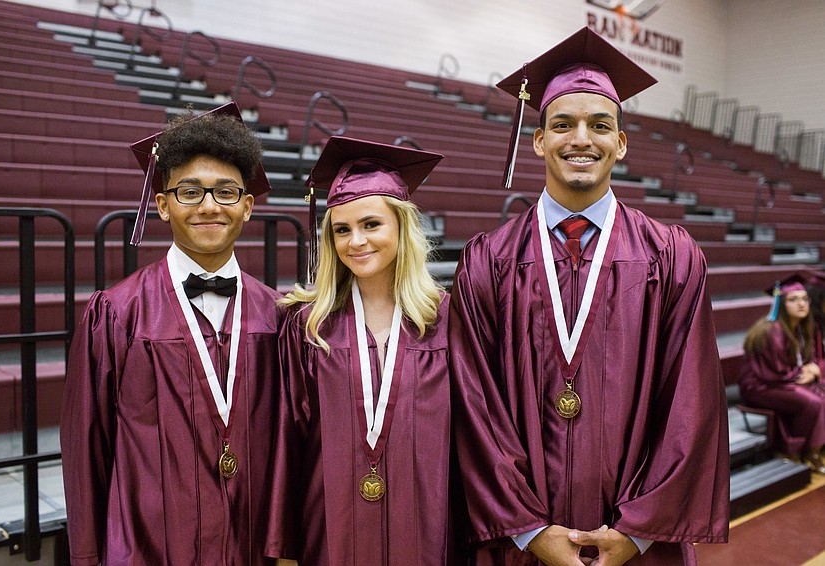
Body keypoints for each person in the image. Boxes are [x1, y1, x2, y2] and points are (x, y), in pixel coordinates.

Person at [448, 27, 729, 565]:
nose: (581, 139)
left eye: (600, 125)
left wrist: (637, 532)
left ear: (620, 143)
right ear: (538, 140)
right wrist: (531, 530)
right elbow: (473, 403)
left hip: (637, 543)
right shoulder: (487, 261)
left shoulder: (671, 257)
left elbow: (692, 402)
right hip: (523, 542)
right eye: (562, 125)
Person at [60, 102, 294, 565]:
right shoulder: (117, 314)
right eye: (190, 192)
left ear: (247, 207)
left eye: (226, 192)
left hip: (252, 547)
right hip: (150, 547)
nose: (209, 206)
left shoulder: (279, 316)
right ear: (163, 205)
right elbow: (86, 452)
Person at [278, 136, 453, 565]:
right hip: (329, 533)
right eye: (342, 229)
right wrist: (282, 550)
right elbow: (287, 445)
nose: (356, 241)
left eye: (371, 224)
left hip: (427, 533)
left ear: (401, 227)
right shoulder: (309, 326)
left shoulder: (447, 321)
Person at [739, 275, 825, 472]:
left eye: (804, 299)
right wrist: (806, 373)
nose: (801, 304)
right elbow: (777, 372)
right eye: (794, 300)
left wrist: (813, 370)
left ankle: (814, 448)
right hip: (761, 386)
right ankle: (797, 450)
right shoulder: (772, 330)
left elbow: (807, 358)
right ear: (781, 303)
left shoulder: (803, 327)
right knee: (812, 401)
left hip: (785, 381)